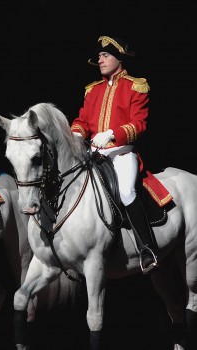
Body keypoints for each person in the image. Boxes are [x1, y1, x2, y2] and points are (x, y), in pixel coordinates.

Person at [71, 35, 160, 274]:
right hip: (93, 153)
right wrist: (77, 134)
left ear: (118, 58)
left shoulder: (135, 86)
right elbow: (81, 121)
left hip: (121, 152)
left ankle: (147, 248)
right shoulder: (93, 90)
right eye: (99, 56)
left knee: (126, 191)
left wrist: (112, 134)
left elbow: (139, 124)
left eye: (105, 55)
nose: (100, 60)